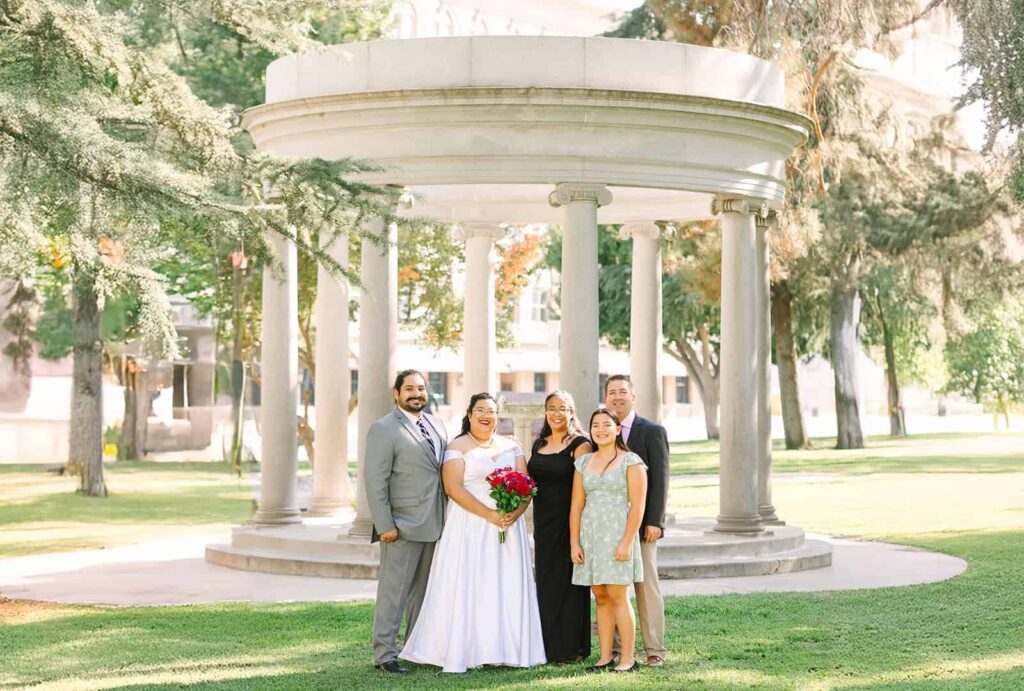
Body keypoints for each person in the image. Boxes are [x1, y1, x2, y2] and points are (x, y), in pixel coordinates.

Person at [399, 393, 546, 673]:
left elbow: (526, 486)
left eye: (491, 411)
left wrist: (514, 513)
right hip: (469, 526)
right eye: (480, 410)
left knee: (503, 583)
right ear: (469, 414)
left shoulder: (511, 446)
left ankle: (505, 647)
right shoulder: (457, 446)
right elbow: (454, 488)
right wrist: (489, 514)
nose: (486, 415)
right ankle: (465, 649)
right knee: (470, 582)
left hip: (507, 527)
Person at [365, 369, 449, 674]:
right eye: (410, 389)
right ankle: (384, 654)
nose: (417, 394)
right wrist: (384, 524)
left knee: (423, 593)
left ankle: (415, 647)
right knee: (394, 592)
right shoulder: (384, 428)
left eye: (421, 389)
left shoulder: (436, 425)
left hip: (436, 523)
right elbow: (375, 481)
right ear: (396, 393)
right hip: (400, 526)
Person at [570, 408, 648, 673]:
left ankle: (628, 657)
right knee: (600, 596)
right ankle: (605, 657)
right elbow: (576, 506)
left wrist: (627, 541)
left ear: (617, 429)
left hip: (617, 535)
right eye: (595, 425)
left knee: (617, 595)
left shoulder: (631, 461)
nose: (600, 429)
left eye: (606, 425)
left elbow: (638, 507)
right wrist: (574, 543)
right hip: (590, 535)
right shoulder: (583, 463)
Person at [605, 374, 670, 667]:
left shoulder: (652, 431)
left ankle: (654, 647)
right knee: (614, 587)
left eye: (622, 392)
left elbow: (661, 478)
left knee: (646, 585)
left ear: (634, 396)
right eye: (611, 393)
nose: (617, 397)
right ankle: (617, 648)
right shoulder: (601, 430)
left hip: (643, 525)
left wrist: (655, 520)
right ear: (606, 398)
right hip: (608, 525)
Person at [527, 390, 593, 663]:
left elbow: (584, 489)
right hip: (543, 523)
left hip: (570, 520)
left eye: (562, 408)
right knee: (546, 582)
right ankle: (546, 645)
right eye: (551, 408)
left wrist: (576, 533)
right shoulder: (539, 443)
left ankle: (570, 648)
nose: (556, 413)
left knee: (569, 583)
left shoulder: (580, 444)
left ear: (571, 412)